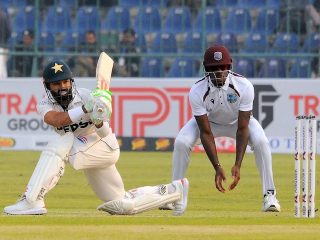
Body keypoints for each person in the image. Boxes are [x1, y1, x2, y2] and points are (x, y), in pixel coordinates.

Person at [3, 59, 189, 216]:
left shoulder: (86, 96)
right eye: (57, 84)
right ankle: (174, 191)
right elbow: (56, 121)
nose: (62, 87)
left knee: (62, 142)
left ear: (71, 81)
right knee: (123, 204)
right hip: (84, 151)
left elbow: (104, 133)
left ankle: (33, 199)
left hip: (103, 147)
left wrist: (99, 118)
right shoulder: (46, 104)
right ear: (47, 86)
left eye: (65, 82)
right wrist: (85, 109)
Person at [170, 45, 280, 212]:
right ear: (206, 69)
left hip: (238, 122)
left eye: (223, 67)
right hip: (210, 124)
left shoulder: (244, 86)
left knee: (261, 142)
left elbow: (243, 128)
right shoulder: (197, 91)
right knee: (181, 142)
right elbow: (205, 132)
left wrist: (237, 165)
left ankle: (270, 196)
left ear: (229, 67)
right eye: (214, 68)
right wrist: (217, 166)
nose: (219, 72)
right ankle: (174, 196)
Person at [0, 8, 11, 78]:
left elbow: (8, 32)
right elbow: (9, 32)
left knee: (1, 71)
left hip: (1, 46)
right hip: (2, 45)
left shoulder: (2, 16)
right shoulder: (3, 15)